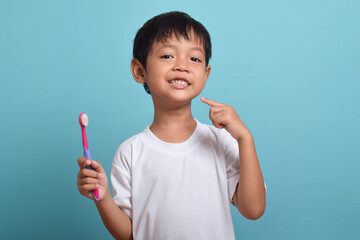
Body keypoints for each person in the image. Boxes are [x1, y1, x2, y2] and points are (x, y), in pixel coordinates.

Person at [77, 11, 266, 240]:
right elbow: (128, 234)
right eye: (167, 56)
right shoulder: (131, 152)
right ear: (140, 71)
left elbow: (253, 210)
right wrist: (103, 196)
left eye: (194, 59)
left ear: (205, 74)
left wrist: (245, 139)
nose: (182, 66)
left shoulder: (220, 141)